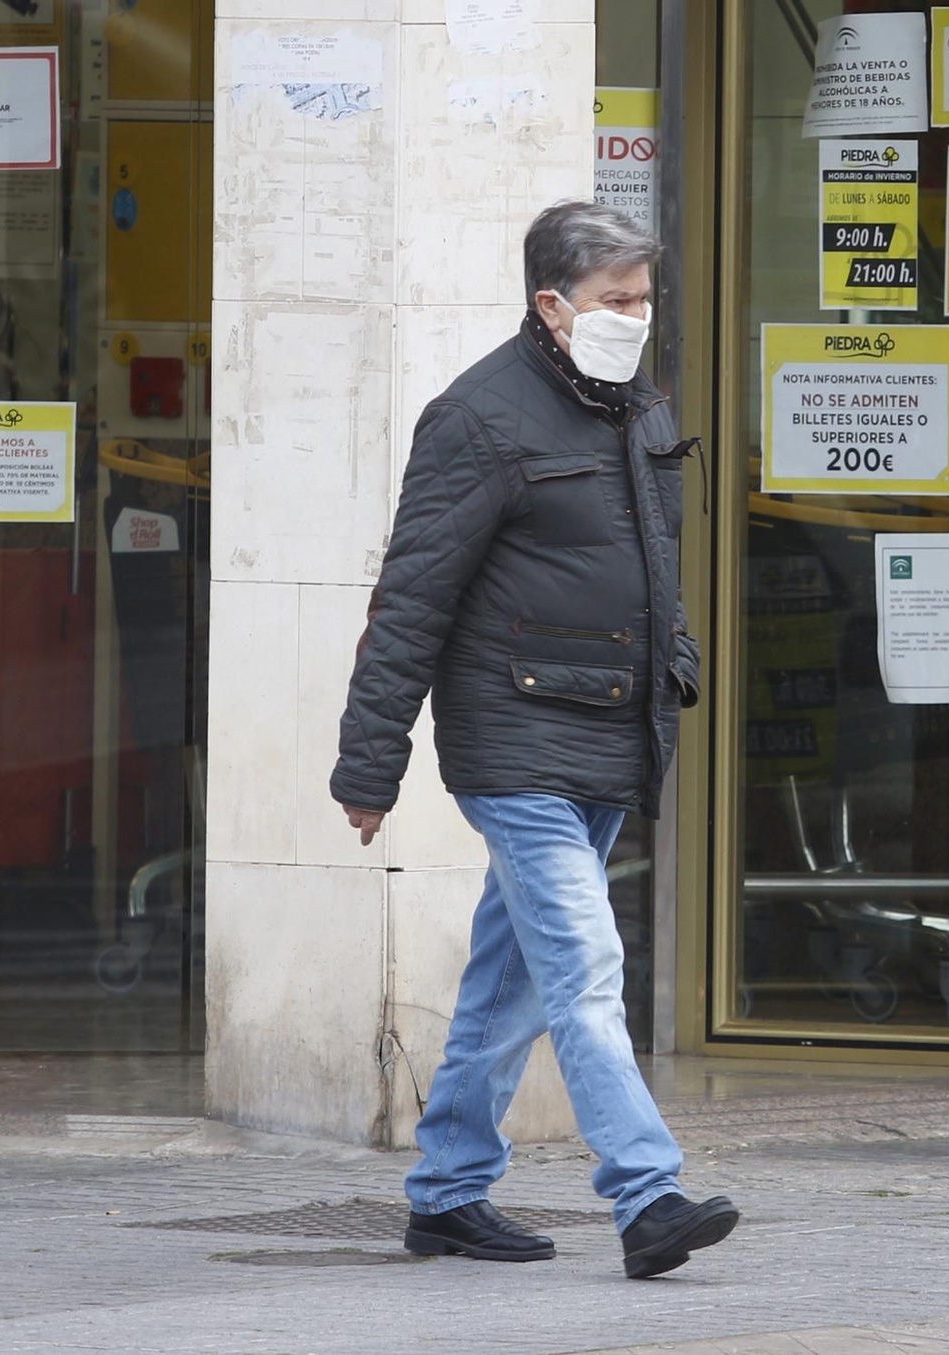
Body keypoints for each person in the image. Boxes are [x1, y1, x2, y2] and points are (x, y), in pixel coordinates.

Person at [330, 201, 737, 1280]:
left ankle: (447, 1191)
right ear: (550, 305)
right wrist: (371, 765)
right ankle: (645, 1192)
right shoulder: (477, 417)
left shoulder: (638, 406)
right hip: (511, 737)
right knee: (586, 958)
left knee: (512, 976)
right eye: (616, 301)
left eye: (645, 298)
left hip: (607, 726)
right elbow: (409, 600)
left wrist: (677, 658)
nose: (636, 317)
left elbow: (656, 562)